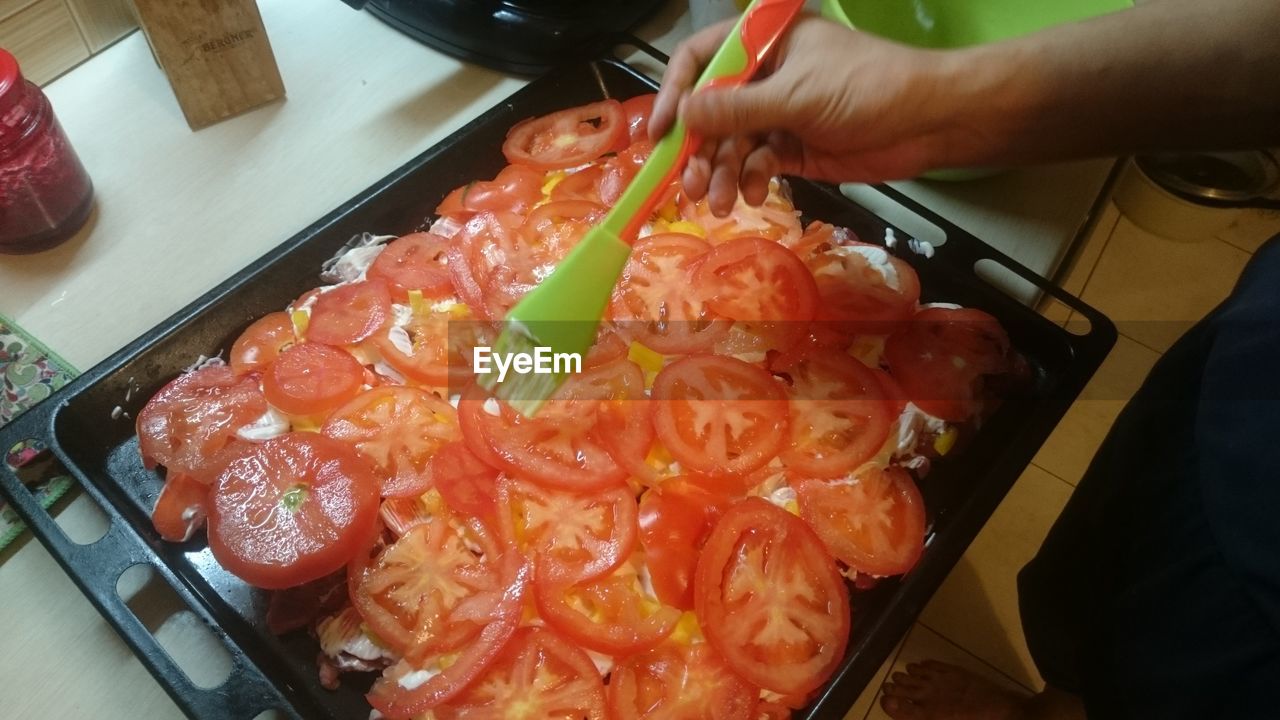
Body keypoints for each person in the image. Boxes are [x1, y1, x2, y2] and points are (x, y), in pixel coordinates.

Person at [650, 2, 1280, 719]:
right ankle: (1056, 704)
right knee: (1103, 571)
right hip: (1253, 361)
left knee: (1182, 680)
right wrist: (939, 105)